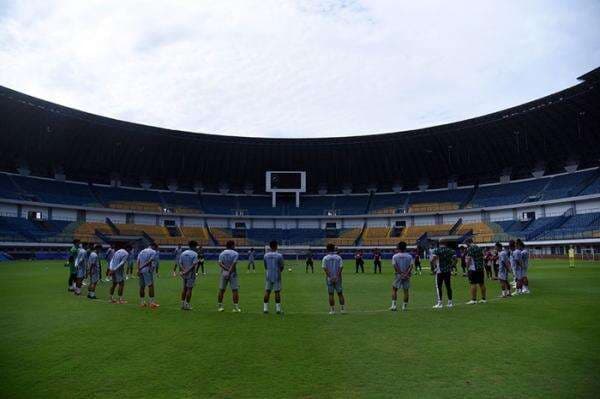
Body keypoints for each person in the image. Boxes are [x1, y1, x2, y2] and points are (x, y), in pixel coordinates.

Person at [431, 240, 457, 308]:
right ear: (446, 243)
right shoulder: (451, 250)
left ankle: (440, 303)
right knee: (448, 286)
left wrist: (434, 267)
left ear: (439, 243)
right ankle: (450, 302)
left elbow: (433, 259)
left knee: (439, 286)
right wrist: (452, 266)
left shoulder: (437, 250)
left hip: (440, 271)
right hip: (448, 270)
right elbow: (455, 259)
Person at [217, 240, 241, 312]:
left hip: (224, 272)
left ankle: (220, 307)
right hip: (232, 273)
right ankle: (236, 307)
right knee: (235, 290)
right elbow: (233, 264)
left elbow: (220, 264)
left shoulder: (222, 253)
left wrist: (226, 270)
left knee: (221, 290)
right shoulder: (235, 253)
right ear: (232, 245)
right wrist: (229, 272)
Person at [322, 243, 346, 315]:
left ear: (327, 249)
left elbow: (325, 268)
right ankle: (342, 309)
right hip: (338, 278)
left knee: (331, 294)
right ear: (334, 248)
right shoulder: (338, 257)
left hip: (329, 278)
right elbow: (341, 267)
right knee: (340, 293)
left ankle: (332, 310)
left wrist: (330, 277)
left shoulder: (325, 258)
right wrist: (337, 276)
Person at [263, 240, 284, 314]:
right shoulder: (279, 255)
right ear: (276, 246)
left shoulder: (266, 255)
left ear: (270, 246)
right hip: (276, 275)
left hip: (269, 275)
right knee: (277, 292)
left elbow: (265, 266)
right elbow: (282, 267)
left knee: (267, 291)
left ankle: (265, 308)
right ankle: (278, 309)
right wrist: (278, 272)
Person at [390, 241, 413, 311]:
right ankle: (404, 307)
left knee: (394, 289)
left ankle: (394, 306)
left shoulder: (395, 256)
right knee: (406, 291)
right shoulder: (409, 256)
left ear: (398, 247)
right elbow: (411, 266)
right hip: (406, 275)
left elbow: (395, 266)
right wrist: (406, 273)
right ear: (405, 247)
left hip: (398, 275)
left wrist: (401, 273)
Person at [137, 243, 159, 308]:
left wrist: (138, 269)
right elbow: (150, 261)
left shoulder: (142, 251)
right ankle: (151, 303)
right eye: (156, 248)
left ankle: (142, 302)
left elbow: (138, 260)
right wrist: (142, 267)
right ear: (153, 246)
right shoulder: (153, 252)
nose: (156, 249)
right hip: (147, 270)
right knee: (150, 286)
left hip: (141, 270)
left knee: (142, 286)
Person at [179, 241, 199, 310]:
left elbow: (180, 263)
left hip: (184, 273)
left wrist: (184, 271)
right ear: (194, 246)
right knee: (189, 289)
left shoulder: (183, 253)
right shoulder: (195, 254)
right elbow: (193, 265)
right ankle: (187, 305)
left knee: (184, 288)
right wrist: (187, 271)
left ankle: (182, 304)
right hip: (191, 274)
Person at [465, 239, 487, 304]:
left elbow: (468, 259)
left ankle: (473, 300)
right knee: (481, 283)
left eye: (466, 244)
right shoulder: (478, 247)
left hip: (473, 268)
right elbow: (483, 256)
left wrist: (467, 267)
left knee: (473, 283)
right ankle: (483, 299)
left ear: (468, 242)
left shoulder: (470, 248)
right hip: (480, 268)